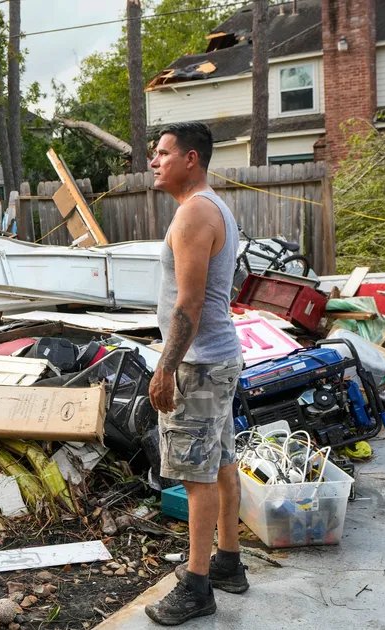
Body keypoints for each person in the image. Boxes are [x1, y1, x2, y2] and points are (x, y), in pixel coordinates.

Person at [144, 122, 246, 626]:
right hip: (217, 359)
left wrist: (166, 370)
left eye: (162, 153)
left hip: (198, 365)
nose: (153, 161)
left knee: (194, 475)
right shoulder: (215, 206)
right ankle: (229, 561)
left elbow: (189, 304)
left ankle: (198, 585)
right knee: (222, 459)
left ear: (191, 159)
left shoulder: (193, 214)